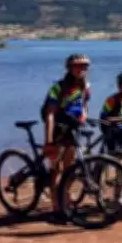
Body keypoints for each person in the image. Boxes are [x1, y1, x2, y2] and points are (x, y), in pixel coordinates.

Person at [41, 53, 91, 221]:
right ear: (70, 68)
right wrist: (48, 141)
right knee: (56, 170)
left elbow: (84, 105)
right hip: (57, 130)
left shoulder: (84, 87)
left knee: (69, 168)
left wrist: (84, 116)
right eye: (78, 66)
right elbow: (49, 115)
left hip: (72, 130)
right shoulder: (58, 88)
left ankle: (66, 200)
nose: (82, 69)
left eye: (84, 66)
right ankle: (56, 207)